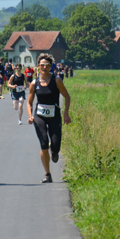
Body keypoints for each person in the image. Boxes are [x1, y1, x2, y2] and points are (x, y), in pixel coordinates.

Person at [26, 53, 72, 183]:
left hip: (54, 115)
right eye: (42, 65)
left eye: (47, 65)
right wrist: (30, 116)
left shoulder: (56, 81)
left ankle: (54, 151)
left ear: (50, 66)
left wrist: (66, 114)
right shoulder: (34, 83)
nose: (44, 67)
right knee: (44, 144)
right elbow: (29, 103)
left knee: (55, 145)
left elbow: (67, 97)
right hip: (39, 116)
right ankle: (47, 174)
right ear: (38, 66)